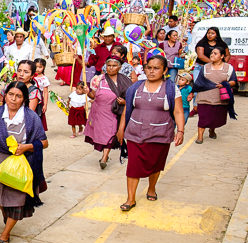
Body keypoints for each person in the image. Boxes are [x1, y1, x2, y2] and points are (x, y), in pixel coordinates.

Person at [0, 82, 48, 243]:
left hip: (20, 165)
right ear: (5, 95)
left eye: (19, 96)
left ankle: (5, 234)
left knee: (16, 201)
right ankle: (7, 220)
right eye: (11, 95)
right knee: (1, 200)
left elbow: (44, 142)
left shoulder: (30, 118)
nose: (14, 99)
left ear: (24, 99)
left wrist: (27, 147)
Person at [116, 55, 184, 211]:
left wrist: (180, 130)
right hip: (135, 133)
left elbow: (178, 111)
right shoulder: (135, 87)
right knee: (133, 166)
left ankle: (151, 188)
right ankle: (130, 199)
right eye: (149, 67)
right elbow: (127, 109)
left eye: (156, 68)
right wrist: (121, 129)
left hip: (160, 134)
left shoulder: (171, 88)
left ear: (165, 70)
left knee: (155, 164)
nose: (152, 71)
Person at [84, 56, 130, 169]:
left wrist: (125, 102)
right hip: (99, 112)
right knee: (101, 135)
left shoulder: (124, 80)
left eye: (114, 66)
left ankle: (104, 157)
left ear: (119, 67)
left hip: (114, 112)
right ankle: (104, 155)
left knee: (110, 134)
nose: (111, 68)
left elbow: (131, 97)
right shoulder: (98, 79)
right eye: (109, 65)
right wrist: (87, 92)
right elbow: (93, 95)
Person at [193, 46, 238, 144]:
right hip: (204, 98)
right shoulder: (205, 67)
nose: (212, 55)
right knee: (203, 118)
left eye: (215, 53)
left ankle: (212, 130)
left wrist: (225, 84)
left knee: (215, 118)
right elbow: (199, 82)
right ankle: (200, 137)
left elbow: (234, 81)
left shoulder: (228, 68)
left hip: (220, 99)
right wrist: (192, 93)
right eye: (211, 53)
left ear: (222, 56)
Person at [33, 58, 50, 130]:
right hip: (30, 98)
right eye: (36, 67)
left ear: (44, 68)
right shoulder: (31, 76)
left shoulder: (44, 79)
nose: (38, 69)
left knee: (38, 115)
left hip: (39, 100)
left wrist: (45, 104)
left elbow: (45, 92)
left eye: (40, 67)